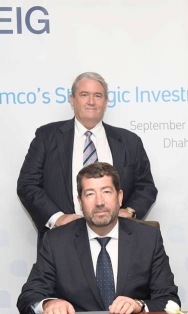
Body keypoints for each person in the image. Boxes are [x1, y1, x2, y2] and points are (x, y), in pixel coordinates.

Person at [17, 163, 179, 314]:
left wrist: (140, 305)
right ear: (80, 202)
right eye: (90, 194)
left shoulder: (148, 238)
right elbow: (29, 297)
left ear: (120, 197)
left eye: (107, 192)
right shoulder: (57, 241)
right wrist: (48, 303)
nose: (99, 202)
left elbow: (169, 300)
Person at [17, 72, 157, 250]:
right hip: (62, 242)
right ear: (72, 100)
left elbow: (146, 186)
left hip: (117, 242)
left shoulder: (130, 141)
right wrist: (57, 218)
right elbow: (27, 184)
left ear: (105, 102)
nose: (91, 101)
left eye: (97, 96)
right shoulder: (46, 137)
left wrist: (129, 211)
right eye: (84, 95)